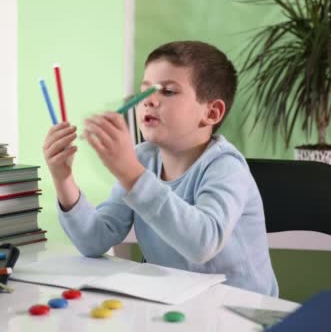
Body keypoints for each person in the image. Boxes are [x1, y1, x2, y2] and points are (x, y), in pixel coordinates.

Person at [42, 40, 278, 296]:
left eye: (167, 91)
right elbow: (94, 240)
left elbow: (203, 243)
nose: (149, 101)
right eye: (145, 91)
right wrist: (63, 178)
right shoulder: (143, 159)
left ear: (212, 112)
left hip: (241, 312)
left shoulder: (226, 167)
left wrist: (131, 173)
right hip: (174, 303)